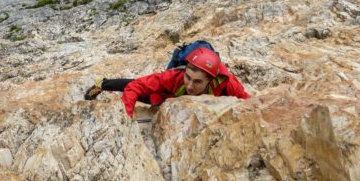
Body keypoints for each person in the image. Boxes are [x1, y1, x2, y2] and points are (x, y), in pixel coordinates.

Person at [83, 47, 250, 117]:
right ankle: (102, 84)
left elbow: (249, 102)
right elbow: (137, 86)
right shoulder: (174, 77)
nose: (190, 86)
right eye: (188, 77)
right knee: (138, 88)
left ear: (211, 79)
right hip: (166, 96)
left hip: (177, 99)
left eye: (198, 82)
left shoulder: (228, 84)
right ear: (184, 70)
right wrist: (127, 115)